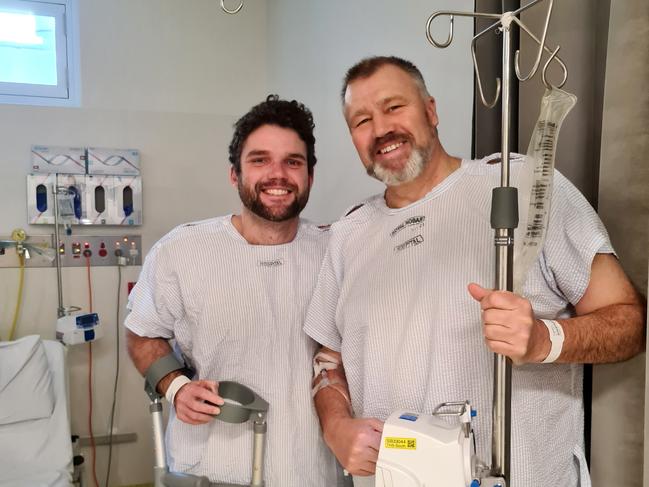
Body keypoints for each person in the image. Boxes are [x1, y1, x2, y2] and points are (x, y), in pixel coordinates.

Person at [303, 56, 645, 487]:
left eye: (394, 107)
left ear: (431, 110)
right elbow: (327, 359)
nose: (380, 129)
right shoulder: (347, 236)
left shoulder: (519, 183)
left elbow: (630, 319)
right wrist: (336, 427)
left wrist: (545, 340)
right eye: (361, 120)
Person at [125, 95, 338, 486]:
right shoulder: (182, 251)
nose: (278, 175)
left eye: (293, 161)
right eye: (259, 160)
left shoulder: (334, 250)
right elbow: (142, 333)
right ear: (234, 175)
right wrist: (176, 387)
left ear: (310, 175)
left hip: (311, 469)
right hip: (210, 467)